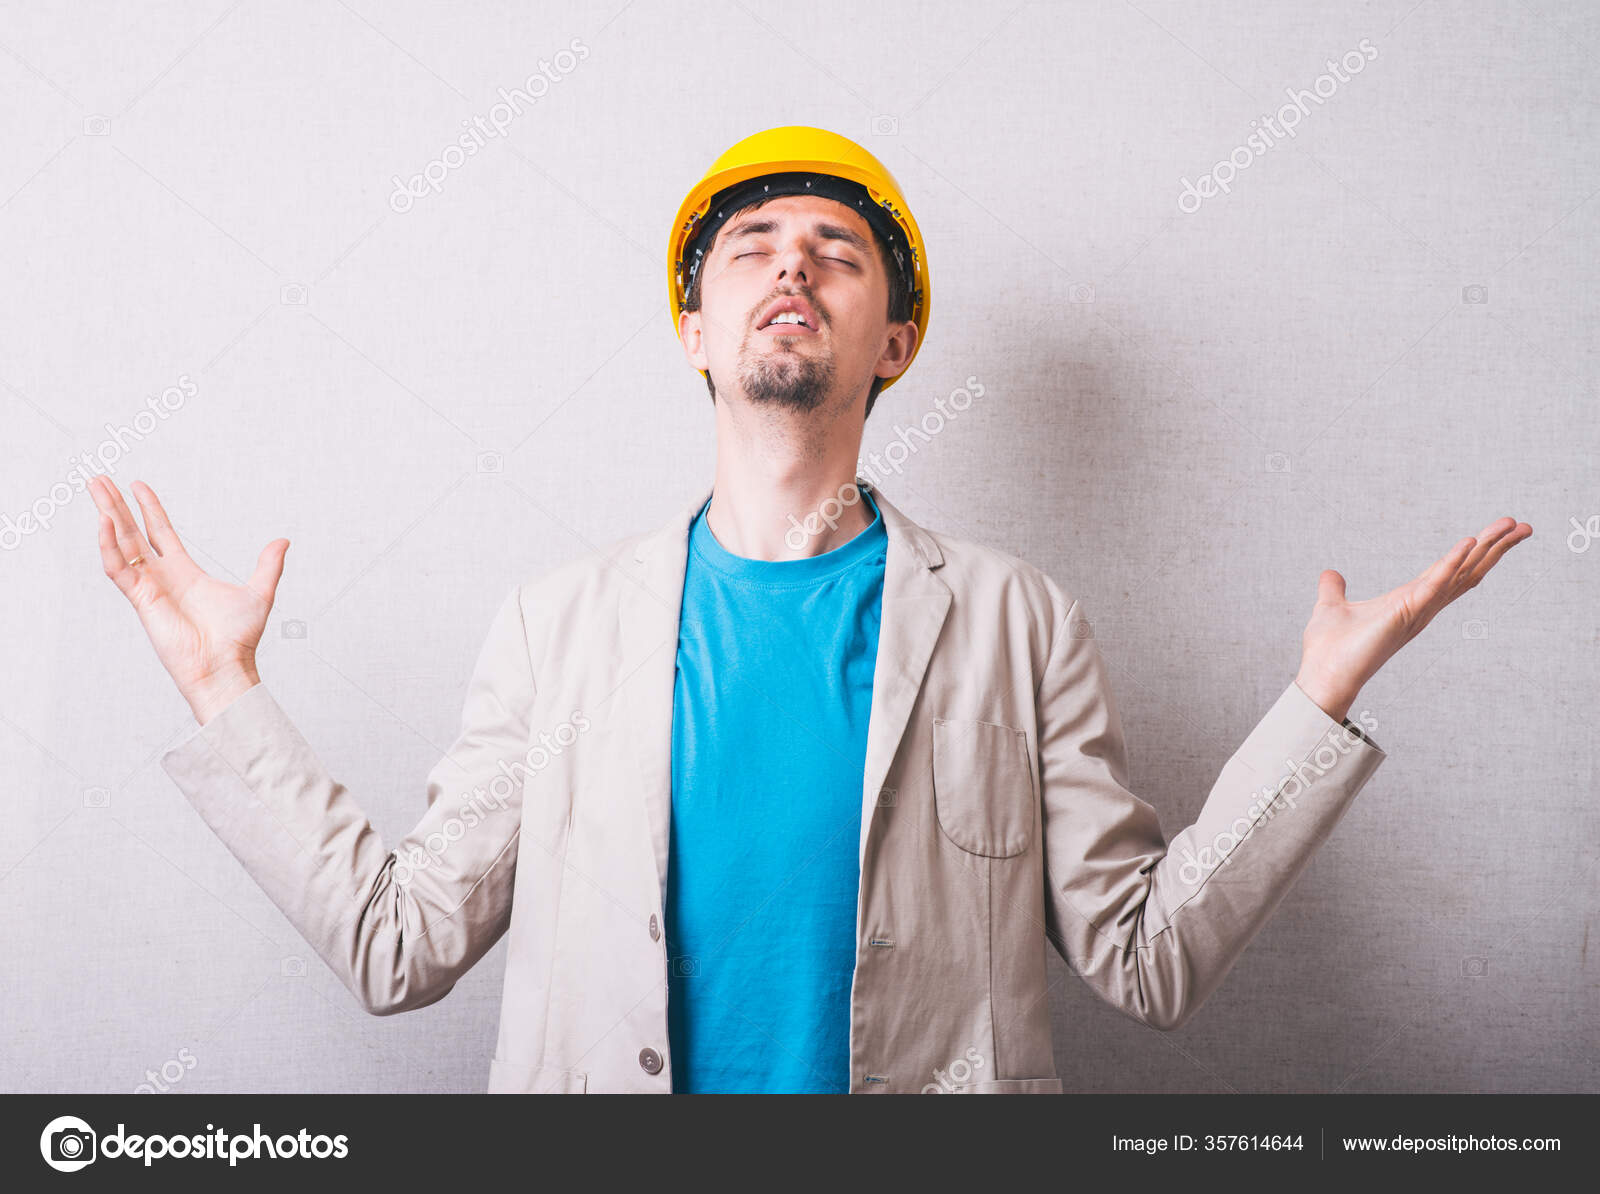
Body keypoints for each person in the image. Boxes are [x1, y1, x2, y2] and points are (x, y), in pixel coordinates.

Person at [90, 126, 1531, 1094]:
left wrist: (1317, 704)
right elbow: (396, 946)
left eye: (838, 250)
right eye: (753, 245)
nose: (792, 264)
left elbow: (1146, 960)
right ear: (695, 332)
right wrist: (222, 683)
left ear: (894, 341)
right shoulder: (558, 627)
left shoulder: (1021, 623)